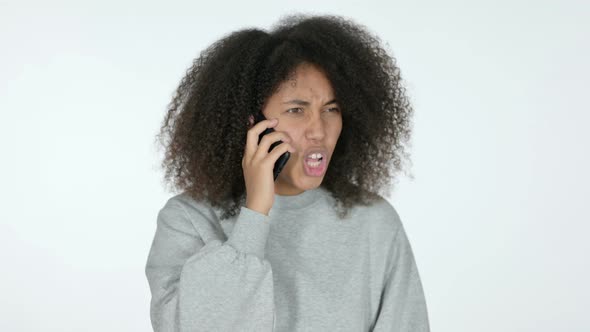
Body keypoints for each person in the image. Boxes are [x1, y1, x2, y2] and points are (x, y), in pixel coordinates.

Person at [145, 13, 430, 331]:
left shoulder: (374, 222)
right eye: (297, 110)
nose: (318, 130)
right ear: (251, 123)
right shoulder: (188, 220)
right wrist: (255, 214)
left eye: (331, 109)